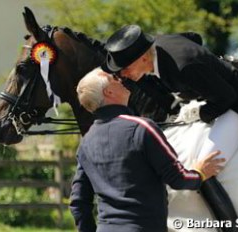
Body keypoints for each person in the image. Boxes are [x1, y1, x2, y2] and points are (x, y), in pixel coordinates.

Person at [102, 25, 238, 232]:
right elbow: (194, 37)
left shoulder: (183, 66)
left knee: (204, 165)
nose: (123, 75)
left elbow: (228, 97)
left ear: (142, 59)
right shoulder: (159, 46)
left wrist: (199, 111)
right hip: (219, 96)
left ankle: (230, 227)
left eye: (125, 69)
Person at [70, 68, 225, 232]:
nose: (121, 80)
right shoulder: (142, 128)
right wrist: (200, 173)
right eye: (114, 79)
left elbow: (78, 202)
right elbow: (178, 178)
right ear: (108, 92)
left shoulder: (86, 143)